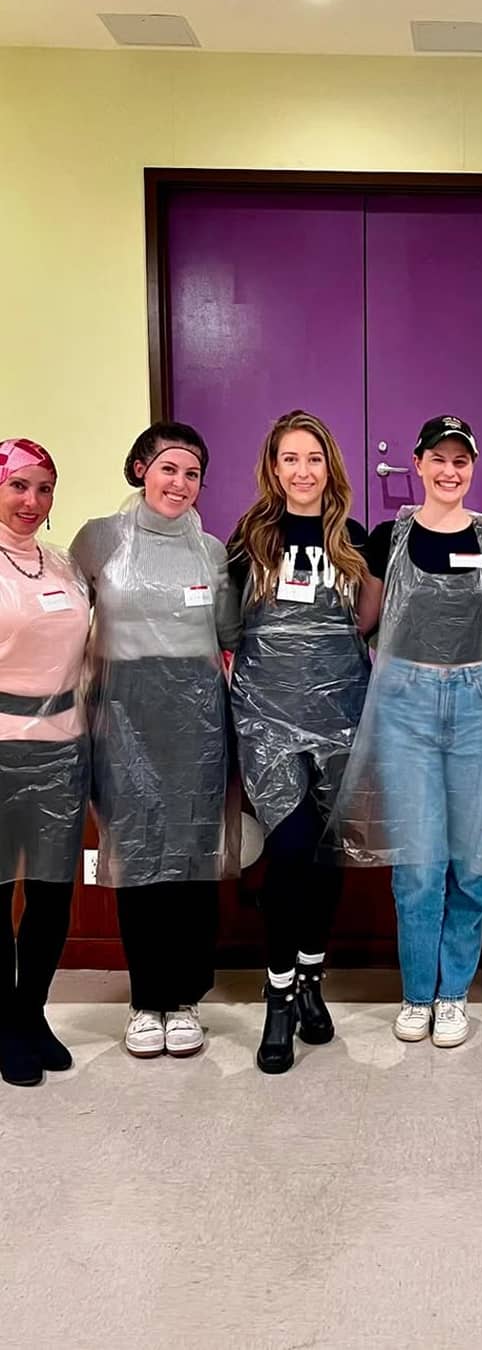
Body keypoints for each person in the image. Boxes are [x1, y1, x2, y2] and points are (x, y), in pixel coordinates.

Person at [332, 416, 482, 1048]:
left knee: (472, 857)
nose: (449, 471)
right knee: (417, 859)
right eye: (438, 459)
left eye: (460, 461)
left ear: (473, 467)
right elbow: (363, 620)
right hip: (405, 706)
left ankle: (454, 992)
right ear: (417, 463)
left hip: (478, 704)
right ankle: (418, 993)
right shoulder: (388, 538)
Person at [71, 423, 239, 1059]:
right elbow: (68, 613)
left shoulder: (213, 552)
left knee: (195, 853)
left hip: (197, 719)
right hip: (122, 713)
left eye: (192, 473)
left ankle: (187, 996)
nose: (180, 483)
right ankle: (147, 1000)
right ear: (141, 468)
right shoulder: (100, 539)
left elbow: (228, 633)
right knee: (137, 854)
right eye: (168, 468)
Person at [228, 412, 372, 1075]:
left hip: (342, 718)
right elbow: (225, 629)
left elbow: (368, 626)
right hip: (269, 722)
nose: (303, 470)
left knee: (324, 856)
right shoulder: (249, 539)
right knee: (288, 851)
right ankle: (279, 993)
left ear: (329, 466)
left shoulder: (355, 539)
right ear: (273, 467)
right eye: (290, 459)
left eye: (313, 458)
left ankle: (312, 979)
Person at [0, 439, 90, 1086]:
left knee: (53, 896)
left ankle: (31, 1013)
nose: (32, 501)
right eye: (19, 486)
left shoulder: (62, 566)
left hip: (63, 744)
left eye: (44, 489)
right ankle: (8, 1023)